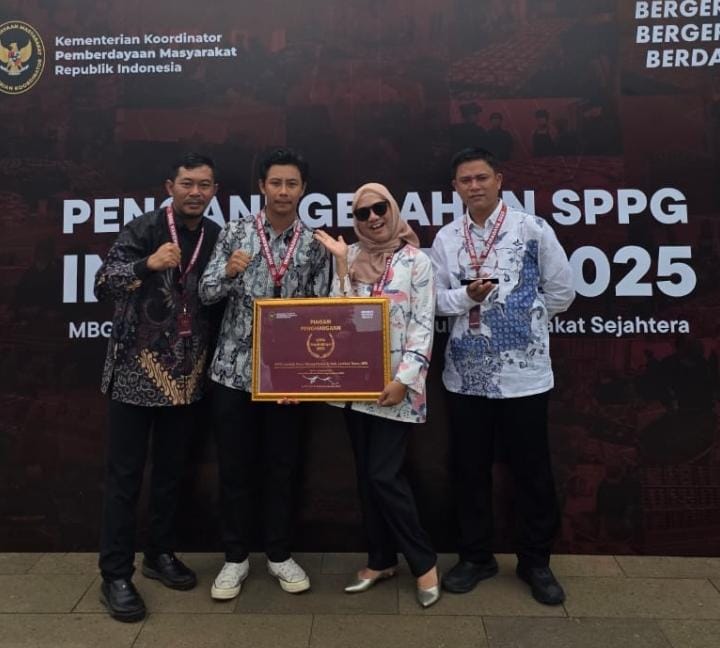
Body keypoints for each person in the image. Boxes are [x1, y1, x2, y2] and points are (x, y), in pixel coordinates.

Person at [430, 148, 575, 605]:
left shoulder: (533, 229)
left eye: (481, 177)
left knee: (532, 472)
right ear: (455, 188)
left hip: (524, 378)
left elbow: (562, 291)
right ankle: (476, 557)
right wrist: (468, 300)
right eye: (465, 180)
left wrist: (523, 322)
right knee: (469, 470)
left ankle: (536, 561)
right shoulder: (447, 238)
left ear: (499, 180)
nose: (474, 186)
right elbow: (435, 301)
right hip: (466, 377)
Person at [95, 153, 222, 622]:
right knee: (125, 478)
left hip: (185, 377)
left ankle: (160, 553)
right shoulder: (143, 229)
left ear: (214, 191)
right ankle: (115, 574)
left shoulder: (215, 236)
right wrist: (146, 264)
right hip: (134, 372)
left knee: (171, 473)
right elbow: (103, 283)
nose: (195, 192)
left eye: (204, 185)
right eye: (187, 183)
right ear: (170, 186)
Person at [199, 147, 330, 600]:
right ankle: (235, 558)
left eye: (292, 184)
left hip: (287, 379)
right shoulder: (235, 232)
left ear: (303, 189)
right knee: (235, 468)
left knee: (282, 468)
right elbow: (206, 293)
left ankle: (278, 554)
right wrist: (229, 272)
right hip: (232, 372)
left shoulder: (313, 243)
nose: (283, 191)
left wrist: (304, 376)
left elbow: (321, 312)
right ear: (262, 186)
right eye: (276, 182)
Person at [314, 182, 440, 608]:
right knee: (367, 477)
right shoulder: (349, 257)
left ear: (393, 209)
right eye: (362, 213)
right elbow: (339, 316)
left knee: (384, 475)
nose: (372, 218)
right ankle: (381, 559)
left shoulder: (417, 261)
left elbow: (423, 324)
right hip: (355, 388)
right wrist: (341, 264)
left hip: (396, 389)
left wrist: (405, 378)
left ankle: (423, 562)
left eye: (380, 208)